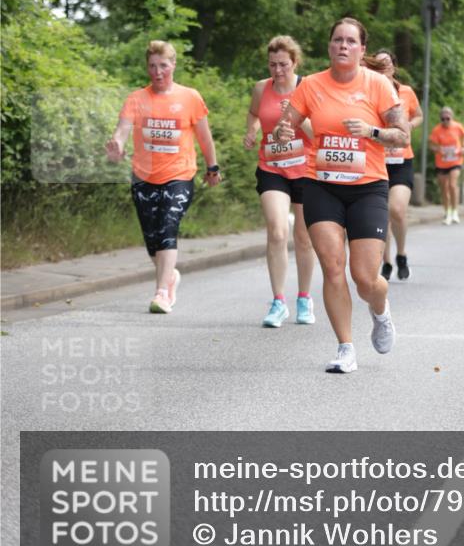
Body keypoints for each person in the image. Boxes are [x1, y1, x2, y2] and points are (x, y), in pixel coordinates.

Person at [276, 17, 409, 373]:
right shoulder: (311, 86)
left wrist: (371, 131)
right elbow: (284, 126)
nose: (343, 46)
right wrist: (284, 132)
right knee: (333, 267)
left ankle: (380, 312)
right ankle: (345, 348)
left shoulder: (379, 85)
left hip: (367, 188)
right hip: (321, 184)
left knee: (365, 277)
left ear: (362, 49)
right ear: (329, 46)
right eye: (337, 40)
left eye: (351, 41)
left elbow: (403, 135)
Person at [105, 40, 222, 313]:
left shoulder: (190, 97)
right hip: (143, 177)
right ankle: (170, 277)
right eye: (152, 66)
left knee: (169, 226)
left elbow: (204, 138)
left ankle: (161, 293)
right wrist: (117, 146)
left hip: (179, 174)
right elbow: (122, 131)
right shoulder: (136, 98)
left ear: (173, 65)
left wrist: (212, 167)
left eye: (163, 66)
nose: (157, 72)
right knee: (152, 240)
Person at [244, 35, 317, 327]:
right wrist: (252, 130)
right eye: (273, 64)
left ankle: (304, 298)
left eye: (283, 65)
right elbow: (254, 114)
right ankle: (278, 302)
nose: (278, 71)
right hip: (272, 167)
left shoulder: (307, 87)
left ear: (295, 62)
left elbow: (319, 132)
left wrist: (296, 120)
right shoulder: (262, 88)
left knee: (303, 237)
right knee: (276, 231)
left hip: (305, 169)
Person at [367, 49, 423, 281]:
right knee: (382, 215)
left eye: (386, 64)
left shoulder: (406, 92)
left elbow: (419, 115)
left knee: (396, 209)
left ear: (394, 67)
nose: (383, 68)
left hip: (401, 161)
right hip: (376, 159)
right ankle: (387, 261)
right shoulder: (369, 92)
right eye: (377, 65)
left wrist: (408, 125)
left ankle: (401, 253)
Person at [429, 107, 464, 225]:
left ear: (452, 117)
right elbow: (431, 145)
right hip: (442, 162)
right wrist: (438, 149)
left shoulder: (458, 127)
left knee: (452, 184)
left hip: (455, 161)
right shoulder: (437, 130)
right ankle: (448, 212)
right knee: (444, 188)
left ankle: (455, 212)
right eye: (443, 119)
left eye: (447, 118)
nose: (445, 121)